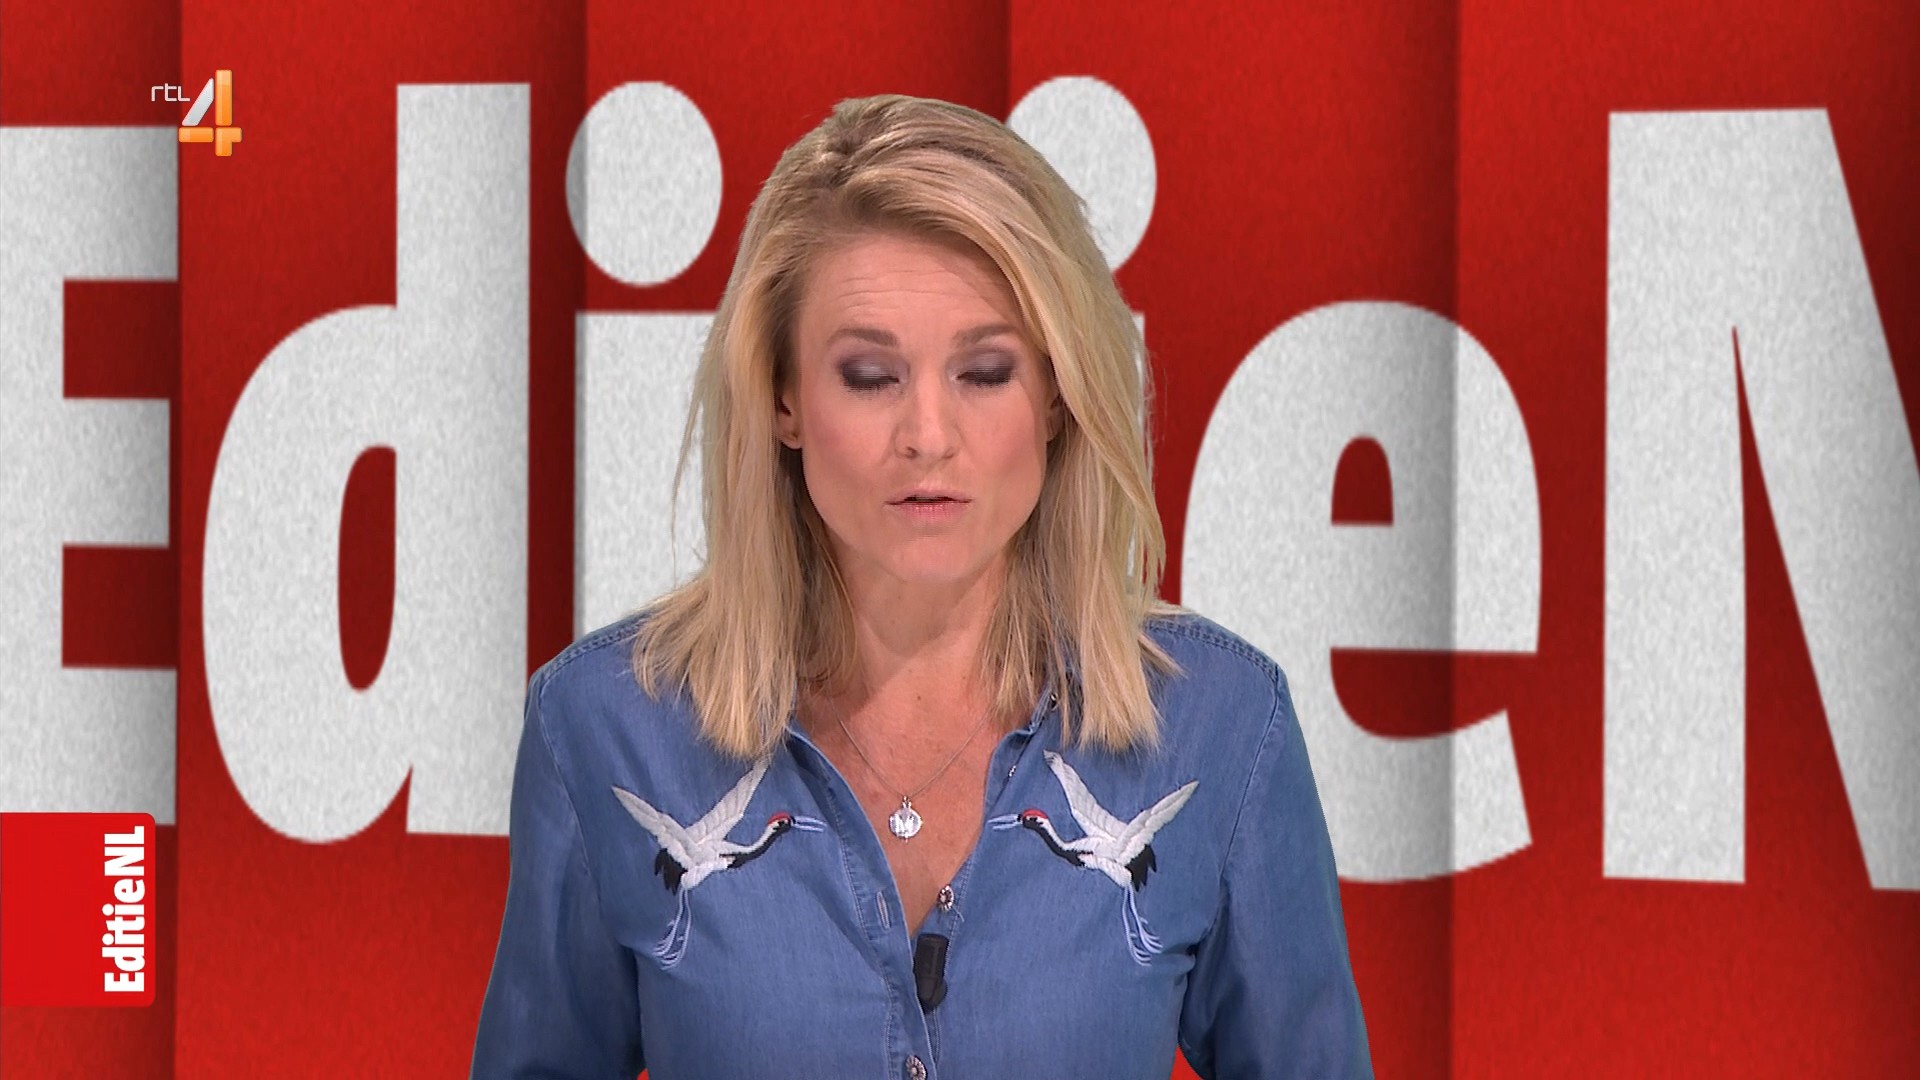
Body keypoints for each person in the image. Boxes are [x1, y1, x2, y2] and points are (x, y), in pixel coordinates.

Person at [470, 93, 1371, 1080]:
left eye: (985, 372)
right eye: (870, 375)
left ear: (1059, 395)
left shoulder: (1223, 724)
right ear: (782, 397)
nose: (929, 436)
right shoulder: (602, 725)